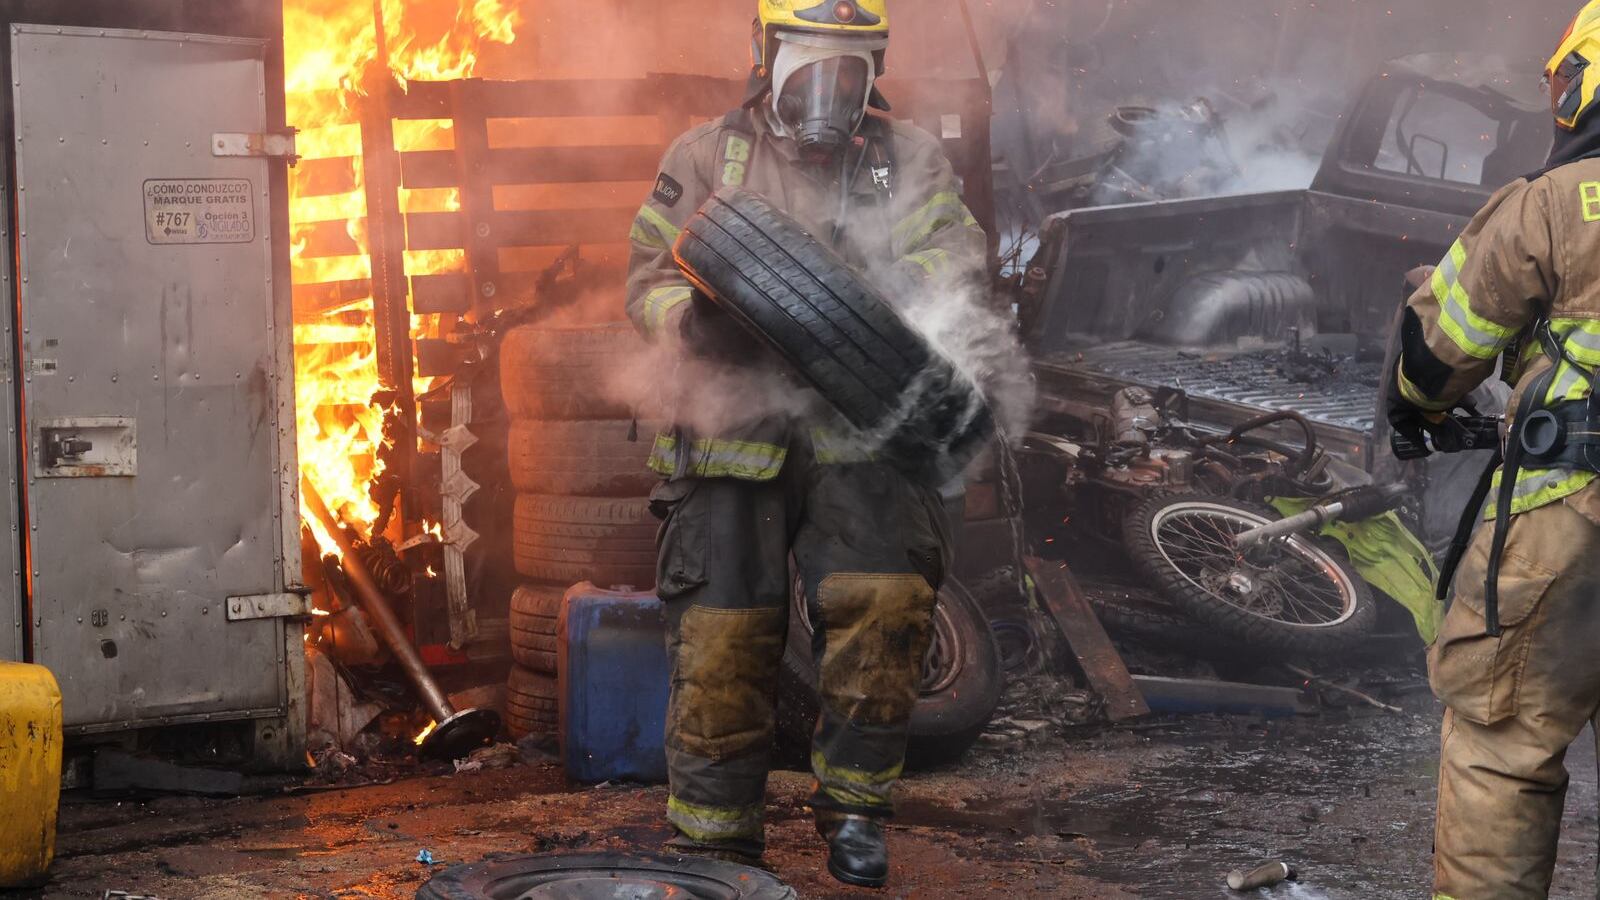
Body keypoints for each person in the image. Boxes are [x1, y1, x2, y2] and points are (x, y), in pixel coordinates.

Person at [623, 0, 986, 888]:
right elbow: (646, 277)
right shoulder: (704, 156)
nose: (830, 88)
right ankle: (716, 843)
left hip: (865, 436)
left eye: (848, 68)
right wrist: (693, 323)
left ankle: (856, 811)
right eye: (812, 65)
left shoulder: (909, 158)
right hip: (729, 435)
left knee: (883, 619)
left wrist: (867, 300)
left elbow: (954, 254)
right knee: (720, 643)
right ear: (768, 58)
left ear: (873, 73)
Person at [1386, 3, 1600, 896]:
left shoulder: (1552, 202)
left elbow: (1441, 349)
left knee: (1502, 742)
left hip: (1569, 516)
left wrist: (1413, 407)